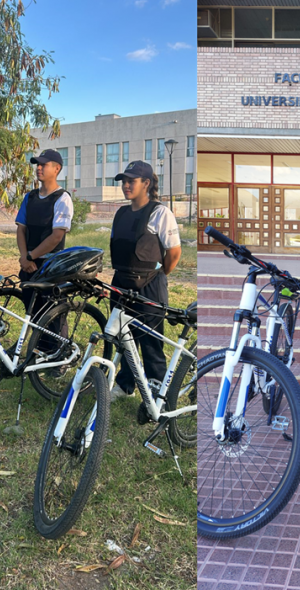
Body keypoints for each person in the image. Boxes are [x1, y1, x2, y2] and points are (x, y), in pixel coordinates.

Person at [108, 160, 183, 423]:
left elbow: (173, 254)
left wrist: (158, 277)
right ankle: (125, 385)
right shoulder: (121, 213)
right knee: (123, 339)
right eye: (123, 181)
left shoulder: (160, 213)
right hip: (120, 284)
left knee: (151, 344)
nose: (126, 185)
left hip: (149, 286)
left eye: (132, 181)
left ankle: (156, 395)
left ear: (147, 184)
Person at [17, 149, 74, 349]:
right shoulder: (30, 197)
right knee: (33, 312)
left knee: (54, 314)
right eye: (37, 164)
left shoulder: (62, 198)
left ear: (57, 169)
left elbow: (57, 236)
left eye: (44, 164)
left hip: (51, 266)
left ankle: (59, 357)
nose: (39, 168)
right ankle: (40, 351)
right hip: (28, 265)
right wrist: (25, 258)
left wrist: (31, 256)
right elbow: (21, 229)